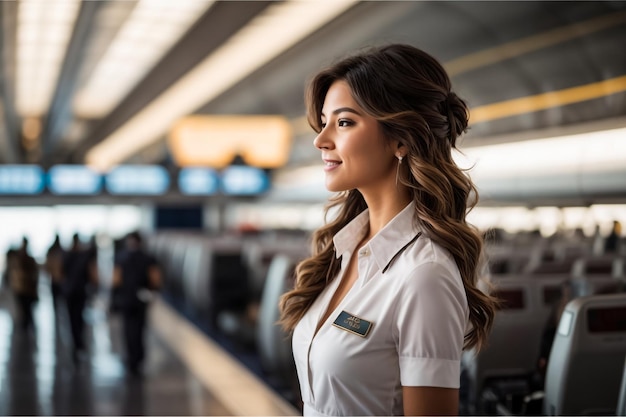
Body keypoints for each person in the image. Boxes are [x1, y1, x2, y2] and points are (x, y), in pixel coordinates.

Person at [278, 44, 498, 416]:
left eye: (344, 122)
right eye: (324, 121)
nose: (320, 139)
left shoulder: (423, 275)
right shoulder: (346, 249)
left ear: (400, 139)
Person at [112, 231, 161, 375]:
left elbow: (116, 280)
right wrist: (152, 293)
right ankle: (139, 358)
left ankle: (130, 357)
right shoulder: (148, 258)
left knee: (127, 329)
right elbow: (155, 279)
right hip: (141, 299)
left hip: (126, 299)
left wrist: (114, 298)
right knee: (140, 329)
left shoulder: (120, 258)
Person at [62, 233, 98, 362]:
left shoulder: (66, 256)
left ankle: (76, 342)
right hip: (80, 291)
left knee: (72, 318)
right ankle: (79, 342)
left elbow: (61, 273)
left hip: (70, 292)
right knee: (79, 317)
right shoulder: (83, 256)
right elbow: (91, 274)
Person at [8, 237, 39, 332]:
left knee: (26, 308)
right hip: (21, 288)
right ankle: (25, 325)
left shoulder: (27, 259)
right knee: (23, 308)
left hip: (26, 288)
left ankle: (26, 325)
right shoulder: (18, 258)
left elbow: (34, 274)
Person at [44, 234, 65, 316]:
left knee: (58, 302)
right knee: (58, 302)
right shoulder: (59, 251)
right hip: (57, 280)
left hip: (57, 280)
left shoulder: (54, 251)